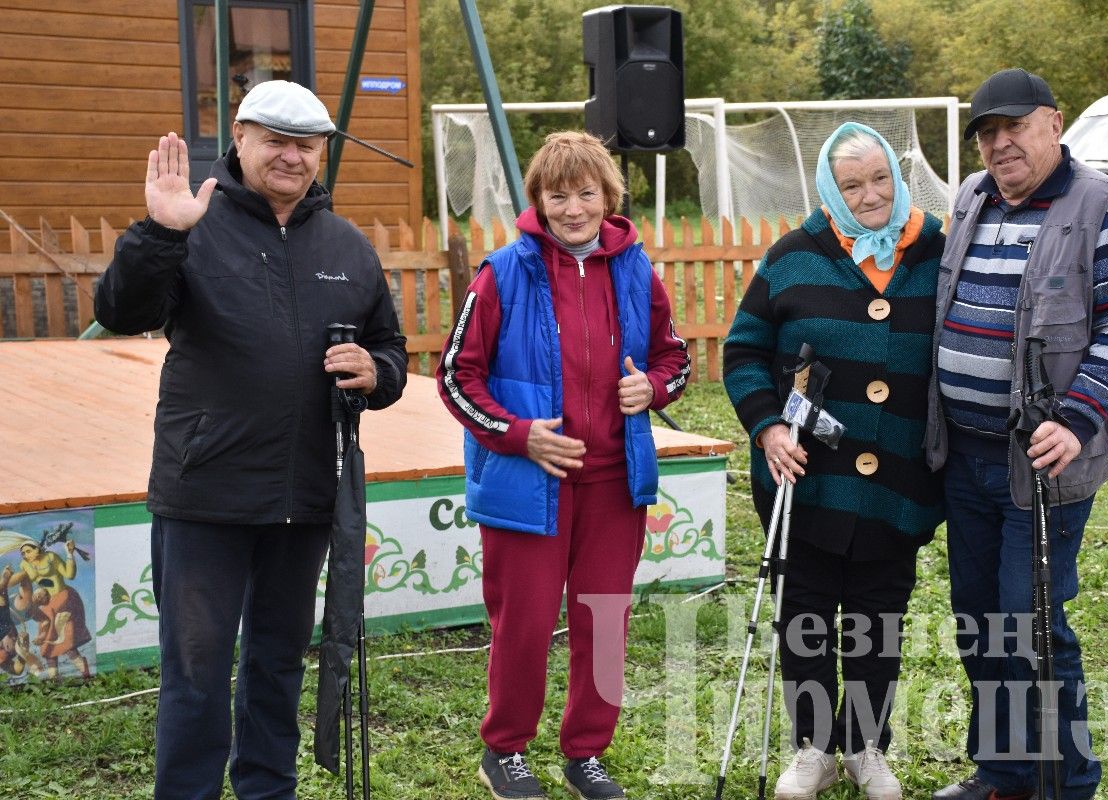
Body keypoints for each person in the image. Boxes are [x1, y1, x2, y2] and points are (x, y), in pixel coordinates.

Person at [93, 80, 408, 799]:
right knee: (197, 675)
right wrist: (162, 233)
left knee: (277, 663)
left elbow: (389, 353)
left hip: (304, 496)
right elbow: (120, 309)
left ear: (322, 152)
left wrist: (375, 369)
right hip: (205, 491)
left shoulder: (348, 247)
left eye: (307, 144)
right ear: (240, 138)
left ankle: (268, 790)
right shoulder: (194, 225)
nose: (292, 157)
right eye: (276, 140)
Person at [925, 69, 1108, 800]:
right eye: (988, 133)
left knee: (1028, 627)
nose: (1001, 144)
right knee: (977, 620)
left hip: (1042, 458)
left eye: (1014, 127)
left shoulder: (1103, 205)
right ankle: (1004, 772)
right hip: (963, 456)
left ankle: (1068, 782)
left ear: (1053, 123)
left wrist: (1073, 418)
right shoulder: (970, 197)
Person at [437, 130, 690, 800]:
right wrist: (521, 436)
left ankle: (586, 753)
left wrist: (655, 389)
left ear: (609, 196)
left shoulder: (637, 270)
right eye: (558, 194)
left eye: (586, 192)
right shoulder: (501, 274)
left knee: (604, 620)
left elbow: (675, 356)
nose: (573, 207)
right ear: (538, 201)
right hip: (529, 483)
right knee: (522, 623)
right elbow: (458, 378)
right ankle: (506, 751)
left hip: (614, 483)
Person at [723, 121, 945, 800]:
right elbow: (742, 351)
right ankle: (815, 749)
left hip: (899, 476)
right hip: (806, 480)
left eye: (880, 178)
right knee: (808, 615)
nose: (870, 194)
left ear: (898, 177)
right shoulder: (794, 255)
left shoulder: (938, 250)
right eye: (852, 184)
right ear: (829, 188)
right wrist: (766, 428)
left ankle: (866, 749)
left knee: (880, 615)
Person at [18, 539, 91, 678]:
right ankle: (53, 680)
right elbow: (26, 584)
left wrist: (69, 554)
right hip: (47, 604)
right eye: (23, 553)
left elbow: (69, 575)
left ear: (37, 549)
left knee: (64, 641)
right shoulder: (24, 564)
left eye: (28, 551)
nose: (26, 555)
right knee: (47, 644)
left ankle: (85, 672)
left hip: (64, 599)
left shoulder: (50, 557)